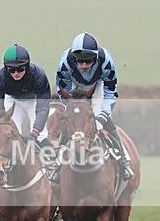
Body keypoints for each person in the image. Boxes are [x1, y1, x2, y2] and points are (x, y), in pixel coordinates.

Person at [55, 31, 133, 181]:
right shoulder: (65, 64)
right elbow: (62, 90)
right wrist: (72, 111)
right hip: (74, 86)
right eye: (80, 61)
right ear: (73, 57)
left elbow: (110, 93)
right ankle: (56, 164)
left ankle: (123, 161)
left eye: (89, 60)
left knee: (102, 122)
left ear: (96, 58)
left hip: (97, 85)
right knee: (71, 122)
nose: (84, 65)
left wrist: (102, 117)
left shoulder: (107, 62)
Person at [0, 44, 52, 147]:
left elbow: (43, 108)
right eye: (11, 70)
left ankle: (48, 161)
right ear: (6, 68)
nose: (16, 73)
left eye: (20, 69)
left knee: (40, 136)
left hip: (34, 100)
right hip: (13, 101)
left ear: (27, 66)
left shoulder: (38, 75)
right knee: (12, 134)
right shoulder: (0, 77)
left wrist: (34, 134)